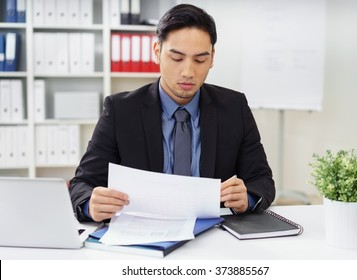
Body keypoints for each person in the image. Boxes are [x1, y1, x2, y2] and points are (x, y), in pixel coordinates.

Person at [69, 4, 275, 222]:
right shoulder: (120, 111)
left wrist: (248, 198)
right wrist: (90, 203)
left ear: (212, 57)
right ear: (157, 52)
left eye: (200, 60)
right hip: (142, 231)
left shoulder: (234, 107)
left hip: (211, 233)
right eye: (176, 58)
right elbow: (82, 184)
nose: (188, 72)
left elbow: (262, 181)